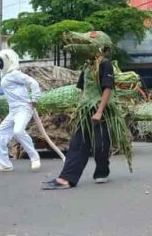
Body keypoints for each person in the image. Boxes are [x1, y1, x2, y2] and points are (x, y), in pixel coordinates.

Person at [42, 42, 116, 189]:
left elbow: (107, 88)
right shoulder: (87, 66)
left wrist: (100, 111)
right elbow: (82, 89)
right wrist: (79, 109)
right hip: (85, 110)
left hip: (101, 109)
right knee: (77, 144)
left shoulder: (106, 65)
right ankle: (66, 178)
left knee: (101, 145)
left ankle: (102, 170)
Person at [0, 49, 42, 173]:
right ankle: (5, 164)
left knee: (18, 131)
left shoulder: (14, 74)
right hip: (13, 110)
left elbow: (33, 82)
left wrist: (34, 99)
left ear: (7, 61)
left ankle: (34, 158)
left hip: (23, 108)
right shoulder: (7, 75)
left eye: (1, 61)